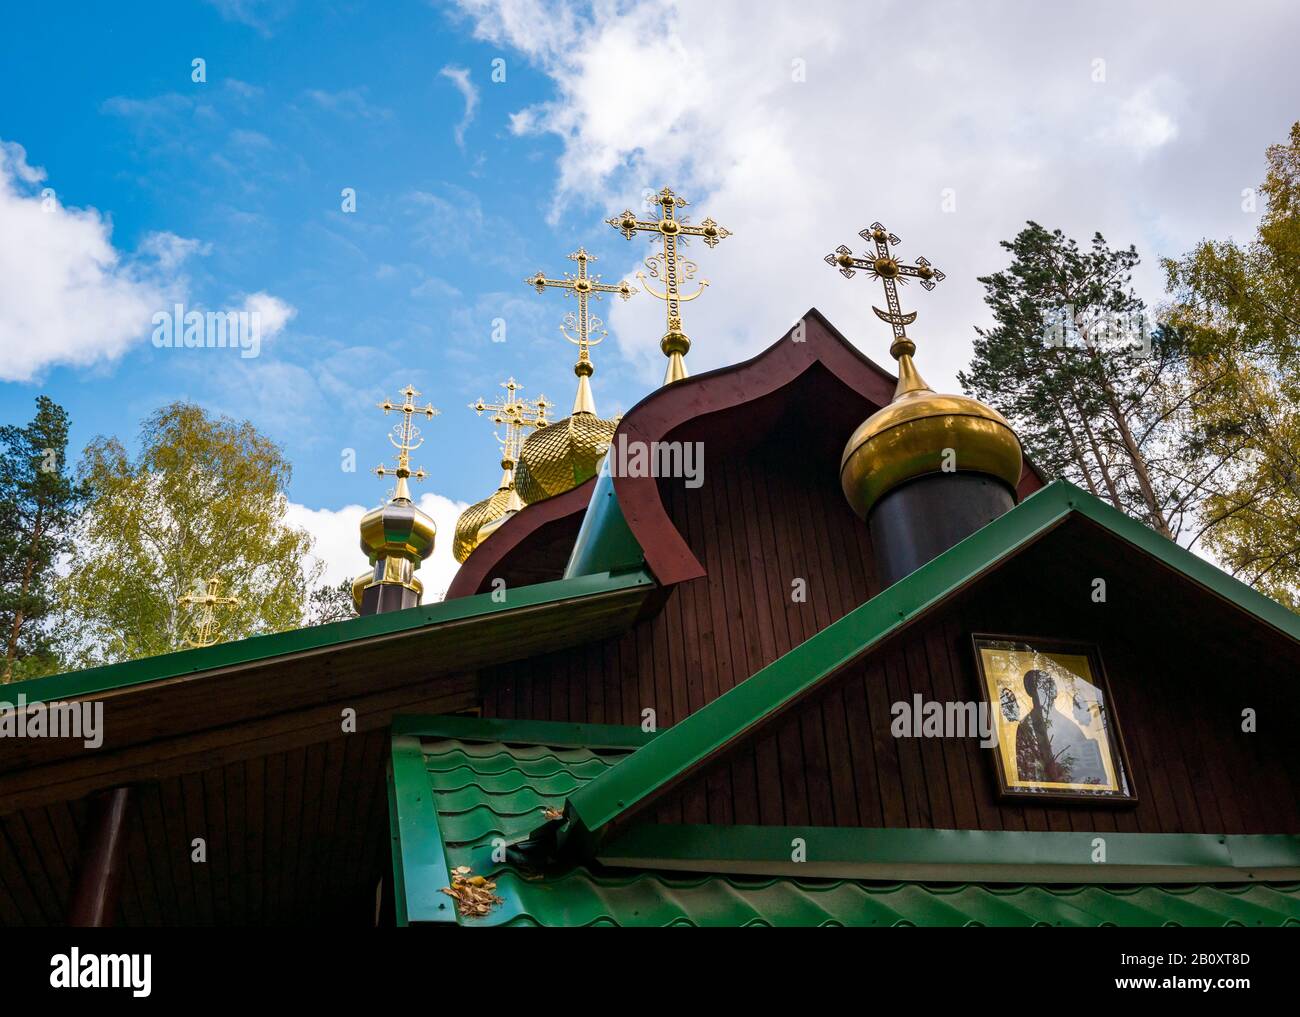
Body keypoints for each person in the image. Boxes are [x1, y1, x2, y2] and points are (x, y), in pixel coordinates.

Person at [1014, 669, 1106, 785]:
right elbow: (1027, 769)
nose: (1051, 690)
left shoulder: (1069, 725)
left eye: (1051, 685)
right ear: (1032, 692)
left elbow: (1091, 769)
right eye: (1044, 687)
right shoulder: (1026, 726)